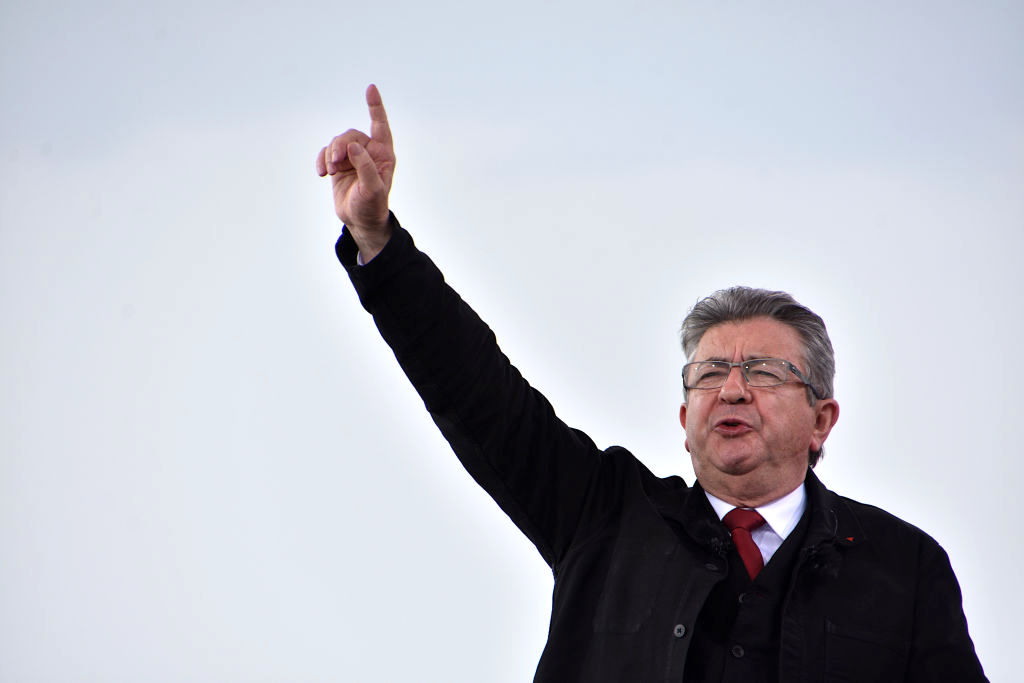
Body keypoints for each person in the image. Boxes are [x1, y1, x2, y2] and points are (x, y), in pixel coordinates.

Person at [315, 85, 987, 682]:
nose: (730, 389)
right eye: (709, 374)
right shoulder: (603, 516)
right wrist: (377, 239)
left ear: (822, 419)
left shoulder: (905, 568)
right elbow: (476, 390)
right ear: (684, 412)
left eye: (760, 371)